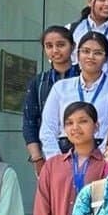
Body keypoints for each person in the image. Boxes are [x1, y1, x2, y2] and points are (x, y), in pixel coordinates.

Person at [40, 32, 108, 158]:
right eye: (86, 51)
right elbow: (48, 129)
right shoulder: (60, 88)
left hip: (102, 154)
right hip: (64, 151)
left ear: (106, 58)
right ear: (77, 55)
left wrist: (100, 158)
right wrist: (57, 160)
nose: (91, 57)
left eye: (98, 53)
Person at [23, 25, 79, 177]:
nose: (55, 50)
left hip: (82, 149)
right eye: (49, 46)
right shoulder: (39, 82)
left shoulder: (83, 77)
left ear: (73, 46)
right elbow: (29, 121)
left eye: (61, 45)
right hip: (48, 153)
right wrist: (37, 158)